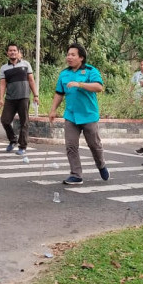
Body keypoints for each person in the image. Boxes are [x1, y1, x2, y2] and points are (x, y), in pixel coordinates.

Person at [48, 43, 108, 184]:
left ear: (81, 57)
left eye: (73, 55)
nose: (69, 57)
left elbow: (99, 87)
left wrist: (80, 84)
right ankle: (76, 174)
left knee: (94, 145)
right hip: (71, 115)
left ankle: (101, 165)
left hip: (88, 115)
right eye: (68, 54)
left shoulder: (90, 71)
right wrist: (53, 110)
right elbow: (59, 93)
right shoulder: (64, 74)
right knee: (71, 145)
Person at [0, 43, 39, 156]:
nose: (12, 52)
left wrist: (36, 95)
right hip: (10, 99)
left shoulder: (26, 64)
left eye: (14, 50)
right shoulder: (4, 68)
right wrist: (1, 98)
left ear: (18, 52)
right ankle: (13, 140)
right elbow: (2, 85)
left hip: (24, 97)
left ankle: (22, 146)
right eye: (10, 50)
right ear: (7, 53)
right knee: (5, 120)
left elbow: (31, 80)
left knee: (24, 122)